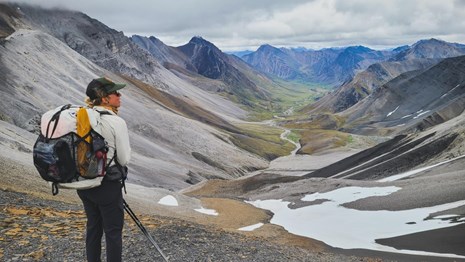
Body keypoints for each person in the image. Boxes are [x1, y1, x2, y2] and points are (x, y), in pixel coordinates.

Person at [77, 77, 131, 262]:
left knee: (93, 228)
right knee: (113, 233)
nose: (119, 95)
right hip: (107, 185)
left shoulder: (82, 117)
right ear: (105, 99)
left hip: (84, 183)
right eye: (115, 93)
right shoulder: (116, 122)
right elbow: (123, 159)